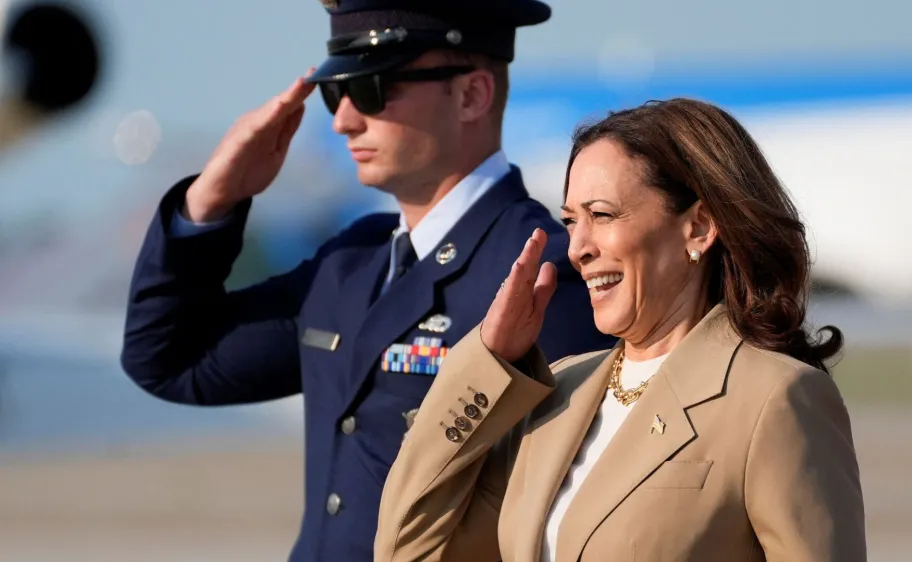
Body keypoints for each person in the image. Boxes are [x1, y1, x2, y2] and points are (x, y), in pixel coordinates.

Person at [118, 0, 615, 560]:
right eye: (337, 92)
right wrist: (211, 200)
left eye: (374, 89)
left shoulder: (542, 275)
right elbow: (168, 359)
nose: (343, 120)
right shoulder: (350, 264)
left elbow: (584, 508)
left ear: (472, 94)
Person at [373, 98, 868, 562]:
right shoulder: (559, 394)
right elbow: (408, 549)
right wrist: (487, 364)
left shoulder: (774, 399)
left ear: (698, 227)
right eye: (571, 221)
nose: (577, 248)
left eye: (602, 216)